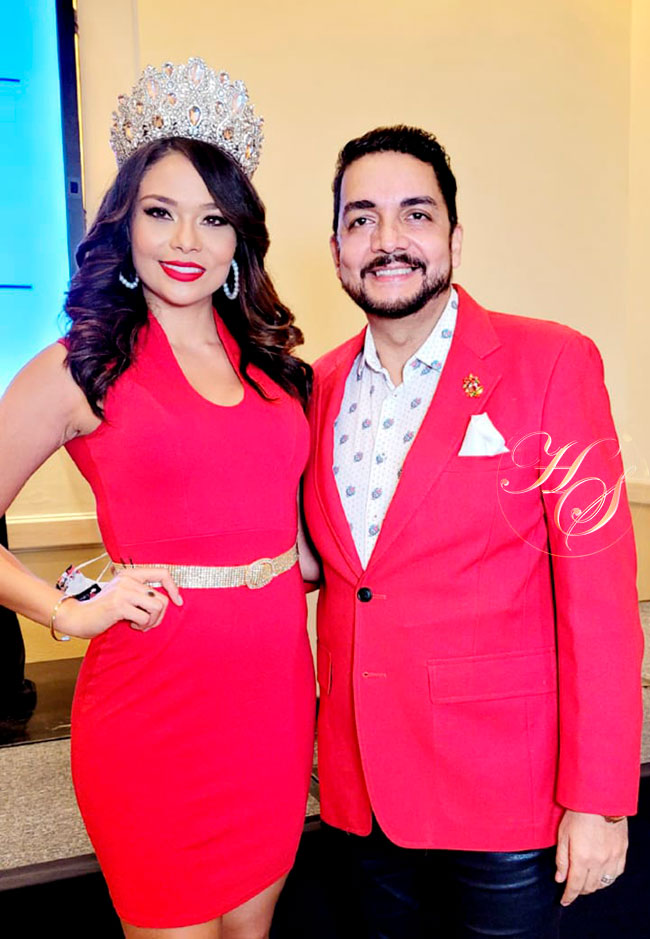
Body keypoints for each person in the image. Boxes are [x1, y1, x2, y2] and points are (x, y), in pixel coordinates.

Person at [0, 58, 318, 938]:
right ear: (124, 220)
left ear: (239, 236)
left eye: (213, 218)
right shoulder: (82, 363)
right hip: (152, 714)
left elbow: (293, 531)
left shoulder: (277, 367)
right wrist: (66, 610)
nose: (186, 240)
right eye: (159, 211)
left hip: (274, 706)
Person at [303, 125, 643, 937]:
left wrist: (599, 799)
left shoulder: (552, 361)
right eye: (361, 219)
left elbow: (599, 601)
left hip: (507, 797)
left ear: (455, 238)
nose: (388, 239)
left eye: (415, 214)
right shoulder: (314, 388)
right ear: (337, 248)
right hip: (363, 793)